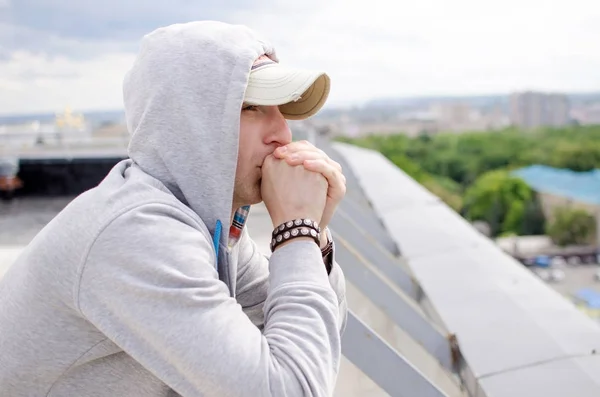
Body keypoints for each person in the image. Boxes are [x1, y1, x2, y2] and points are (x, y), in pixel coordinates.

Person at [0, 21, 348, 396]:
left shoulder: (209, 225)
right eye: (250, 108)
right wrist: (296, 230)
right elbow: (294, 388)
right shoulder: (136, 233)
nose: (282, 133)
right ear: (192, 123)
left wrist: (313, 236)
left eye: (281, 110)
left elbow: (309, 344)